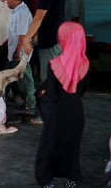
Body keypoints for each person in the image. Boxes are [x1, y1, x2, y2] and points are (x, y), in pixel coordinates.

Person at [35, 22, 90, 188]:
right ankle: (72, 179)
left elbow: (52, 94)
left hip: (57, 113)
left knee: (48, 146)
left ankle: (46, 181)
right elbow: (81, 91)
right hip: (76, 112)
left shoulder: (54, 64)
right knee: (72, 148)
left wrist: (42, 93)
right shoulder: (86, 64)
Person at [22, 0, 65, 83]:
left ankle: (49, 101)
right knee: (55, 77)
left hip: (50, 41)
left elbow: (39, 16)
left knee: (47, 80)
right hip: (55, 38)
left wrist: (26, 39)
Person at [4, 0, 36, 116]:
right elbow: (15, 32)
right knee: (7, 77)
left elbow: (22, 35)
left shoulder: (22, 12)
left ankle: (31, 104)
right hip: (13, 51)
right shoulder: (16, 11)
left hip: (20, 53)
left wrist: (17, 52)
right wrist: (7, 42)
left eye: (7, 0)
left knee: (26, 79)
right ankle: (0, 100)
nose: (6, 3)